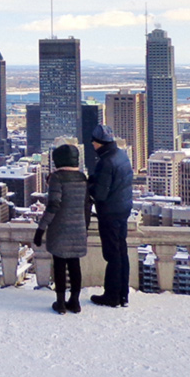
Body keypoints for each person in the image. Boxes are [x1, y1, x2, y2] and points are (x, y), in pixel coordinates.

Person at [34, 143, 88, 314]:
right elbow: (87, 206)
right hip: (79, 227)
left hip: (60, 228)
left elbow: (53, 206)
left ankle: (61, 303)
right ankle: (75, 301)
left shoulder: (57, 178)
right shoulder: (82, 177)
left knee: (59, 265)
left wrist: (41, 229)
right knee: (74, 265)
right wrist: (84, 226)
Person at [87, 124, 134, 307]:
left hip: (110, 213)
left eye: (93, 142)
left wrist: (89, 185)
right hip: (123, 208)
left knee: (112, 254)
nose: (92, 144)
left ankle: (112, 295)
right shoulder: (121, 155)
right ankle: (123, 294)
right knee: (121, 251)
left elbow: (100, 194)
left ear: (98, 143)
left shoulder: (106, 162)